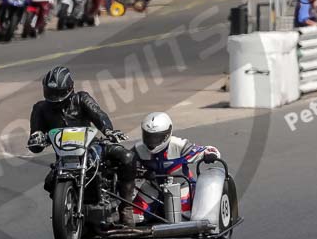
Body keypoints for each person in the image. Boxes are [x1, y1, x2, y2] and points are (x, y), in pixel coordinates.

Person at [27, 66, 137, 226]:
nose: (55, 97)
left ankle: (126, 208)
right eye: (51, 93)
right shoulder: (40, 108)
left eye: (59, 92)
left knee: (127, 157)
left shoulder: (81, 99)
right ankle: (66, 209)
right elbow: (35, 143)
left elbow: (99, 115)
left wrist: (108, 130)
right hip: (64, 159)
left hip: (92, 148)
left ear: (70, 88)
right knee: (50, 181)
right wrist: (36, 139)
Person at [132, 112, 220, 220]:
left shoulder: (179, 145)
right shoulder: (138, 148)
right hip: (152, 186)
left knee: (184, 215)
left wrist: (209, 154)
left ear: (167, 134)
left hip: (181, 185)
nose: (152, 141)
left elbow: (203, 150)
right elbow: (126, 163)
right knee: (134, 215)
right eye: (149, 137)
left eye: (156, 137)